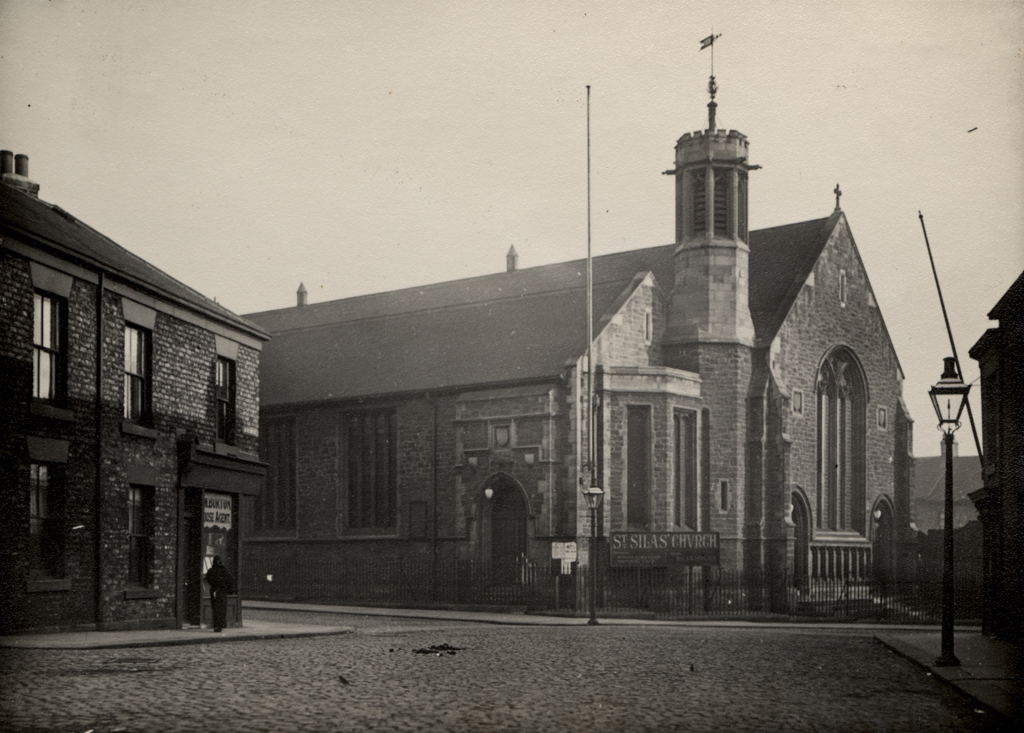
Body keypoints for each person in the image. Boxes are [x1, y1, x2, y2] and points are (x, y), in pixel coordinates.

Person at [204, 555, 235, 632]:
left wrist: (214, 584)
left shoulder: (212, 570)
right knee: (222, 608)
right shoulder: (224, 570)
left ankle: (217, 626)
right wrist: (229, 590)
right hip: (222, 591)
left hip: (215, 591)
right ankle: (221, 625)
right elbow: (231, 580)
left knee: (215, 609)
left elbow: (208, 578)